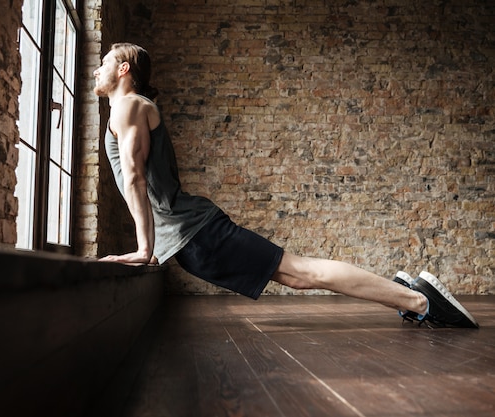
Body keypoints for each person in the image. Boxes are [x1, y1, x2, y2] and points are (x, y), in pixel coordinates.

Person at [93, 42, 478, 328]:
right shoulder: (132, 108)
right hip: (191, 236)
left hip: (196, 233)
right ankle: (409, 296)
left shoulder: (129, 106)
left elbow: (134, 175)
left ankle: (418, 301)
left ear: (124, 68)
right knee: (297, 275)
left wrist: (145, 249)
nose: (98, 69)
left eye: (105, 62)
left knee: (301, 273)